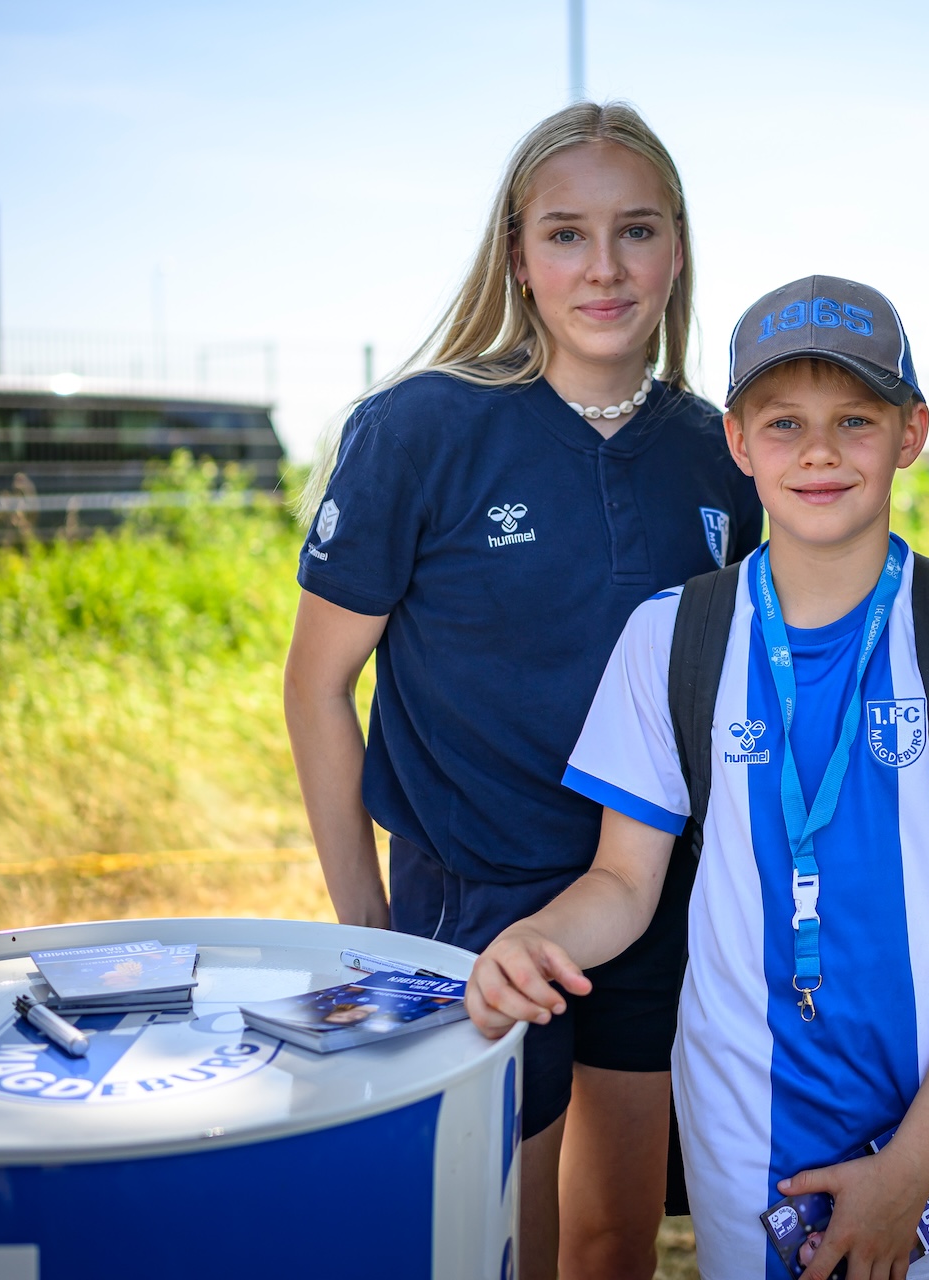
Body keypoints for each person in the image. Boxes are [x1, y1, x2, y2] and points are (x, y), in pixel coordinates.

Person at [465, 276, 929, 1280]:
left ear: (911, 431)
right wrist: (534, 941)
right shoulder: (673, 636)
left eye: (855, 418)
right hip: (741, 1123)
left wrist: (910, 1167)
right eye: (785, 422)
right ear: (740, 443)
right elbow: (625, 883)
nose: (822, 451)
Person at [282, 101, 762, 1280]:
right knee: (508, 1240)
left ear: (679, 246)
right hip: (473, 909)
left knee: (617, 1235)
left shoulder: (723, 448)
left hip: (656, 897)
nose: (603, 267)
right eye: (566, 234)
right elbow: (316, 686)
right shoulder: (420, 428)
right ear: (516, 253)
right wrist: (369, 929)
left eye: (637, 231)